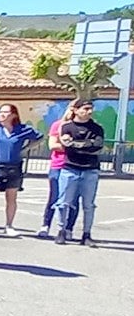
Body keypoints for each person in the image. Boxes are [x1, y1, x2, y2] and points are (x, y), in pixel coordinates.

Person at [0, 104, 41, 236]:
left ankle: (9, 225)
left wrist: (26, 148)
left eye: (5, 112)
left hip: (13, 167)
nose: (2, 115)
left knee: (11, 198)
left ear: (14, 115)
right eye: (0, 112)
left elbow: (39, 137)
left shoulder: (22, 129)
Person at [54, 99, 105, 246]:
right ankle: (61, 231)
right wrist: (86, 144)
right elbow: (67, 144)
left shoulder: (97, 128)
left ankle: (86, 234)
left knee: (88, 204)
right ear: (75, 110)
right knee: (64, 202)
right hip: (70, 168)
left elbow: (97, 146)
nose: (89, 111)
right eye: (85, 108)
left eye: (90, 109)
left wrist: (78, 144)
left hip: (90, 169)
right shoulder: (67, 127)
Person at [38, 110, 81, 239]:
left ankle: (68, 228)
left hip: (76, 165)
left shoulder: (84, 128)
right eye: (71, 109)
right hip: (58, 165)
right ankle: (45, 225)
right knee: (54, 196)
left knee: (73, 199)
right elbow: (52, 145)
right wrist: (73, 146)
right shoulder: (58, 125)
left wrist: (75, 146)